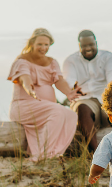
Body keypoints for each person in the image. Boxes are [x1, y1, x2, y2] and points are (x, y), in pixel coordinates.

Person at [8, 28, 82, 162]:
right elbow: (25, 78)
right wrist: (30, 89)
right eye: (40, 44)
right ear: (32, 44)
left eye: (46, 45)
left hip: (45, 107)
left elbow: (59, 80)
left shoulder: (52, 62)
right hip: (24, 106)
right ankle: (41, 155)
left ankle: (54, 152)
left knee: (71, 115)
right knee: (58, 110)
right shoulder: (22, 61)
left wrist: (69, 93)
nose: (43, 48)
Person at [63, 30, 112, 151]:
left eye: (90, 45)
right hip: (84, 99)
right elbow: (69, 80)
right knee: (82, 108)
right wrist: (73, 87)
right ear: (79, 45)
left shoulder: (109, 57)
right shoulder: (70, 61)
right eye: (84, 46)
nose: (88, 48)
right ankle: (95, 154)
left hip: (105, 97)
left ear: (96, 43)